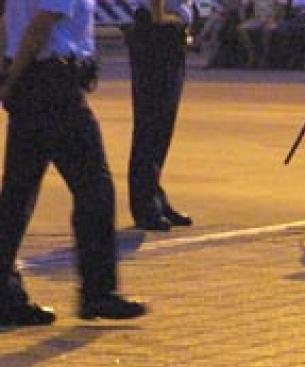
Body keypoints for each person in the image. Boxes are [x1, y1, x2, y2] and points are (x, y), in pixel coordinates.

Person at [0, 0, 147, 326]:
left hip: (33, 79)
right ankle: (98, 291)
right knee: (94, 187)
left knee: (17, 194)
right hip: (52, 83)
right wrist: (13, 79)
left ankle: (5, 294)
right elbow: (42, 23)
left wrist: (10, 73)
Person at [124, 0, 194, 231]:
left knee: (162, 124)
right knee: (151, 123)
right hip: (157, 32)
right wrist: (159, 17)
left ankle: (154, 194)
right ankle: (145, 205)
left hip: (167, 31)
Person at [237, 0, 285, 67]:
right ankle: (251, 52)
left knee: (267, 30)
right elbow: (243, 5)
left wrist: (275, 18)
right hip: (257, 19)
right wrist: (243, 17)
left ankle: (264, 55)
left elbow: (282, 7)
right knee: (241, 28)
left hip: (271, 19)